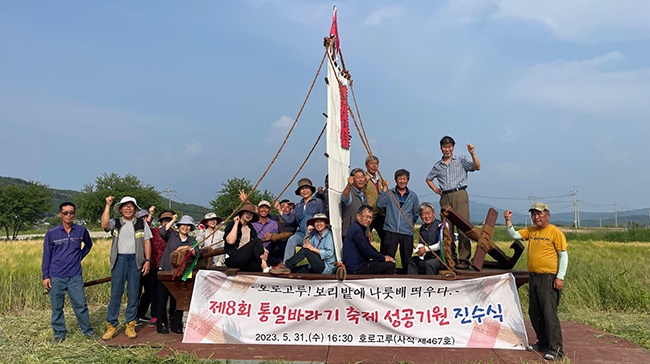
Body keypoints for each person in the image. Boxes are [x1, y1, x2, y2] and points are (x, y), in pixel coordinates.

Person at [504, 202, 568, 361]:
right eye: (533, 214)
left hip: (548, 278)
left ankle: (556, 349)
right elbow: (514, 235)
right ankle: (543, 342)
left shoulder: (555, 232)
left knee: (549, 313)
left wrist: (560, 276)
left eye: (539, 213)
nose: (536, 217)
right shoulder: (531, 231)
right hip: (533, 276)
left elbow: (563, 255)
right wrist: (508, 221)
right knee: (535, 312)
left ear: (547, 215)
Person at [41, 202, 95, 343]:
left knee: (80, 305)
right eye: (65, 213)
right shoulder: (52, 233)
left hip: (75, 275)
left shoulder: (81, 230)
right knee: (57, 307)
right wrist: (45, 276)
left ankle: (87, 332)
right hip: (56, 276)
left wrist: (80, 256)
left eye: (71, 212)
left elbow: (88, 245)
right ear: (60, 214)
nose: (69, 215)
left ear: (74, 214)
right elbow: (46, 255)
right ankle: (59, 334)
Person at [101, 196, 153, 340]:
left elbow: (147, 242)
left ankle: (130, 325)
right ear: (121, 209)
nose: (128, 208)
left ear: (135, 209)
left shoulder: (142, 223)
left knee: (133, 294)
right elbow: (104, 225)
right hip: (119, 260)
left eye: (131, 206)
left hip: (136, 260)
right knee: (116, 294)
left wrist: (147, 260)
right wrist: (107, 205)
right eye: (125, 206)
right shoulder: (116, 222)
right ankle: (111, 325)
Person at [425, 135, 481, 270]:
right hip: (445, 197)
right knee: (447, 230)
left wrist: (472, 153)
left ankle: (464, 259)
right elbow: (428, 179)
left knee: (463, 227)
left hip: (460, 194)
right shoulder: (437, 165)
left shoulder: (460, 160)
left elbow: (477, 167)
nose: (447, 149)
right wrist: (436, 190)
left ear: (453, 148)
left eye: (449, 146)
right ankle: (451, 258)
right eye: (445, 147)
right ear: (441, 148)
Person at [157, 214, 196, 334]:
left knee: (178, 300)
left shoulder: (192, 240)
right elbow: (162, 232)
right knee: (162, 300)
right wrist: (173, 220)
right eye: (183, 225)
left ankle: (176, 324)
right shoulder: (171, 236)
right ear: (179, 226)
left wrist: (193, 251)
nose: (185, 227)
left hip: (181, 274)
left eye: (188, 226)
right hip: (166, 271)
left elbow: (197, 252)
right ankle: (162, 324)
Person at [376, 169, 420, 274]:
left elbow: (415, 214)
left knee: (406, 259)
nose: (402, 181)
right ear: (395, 180)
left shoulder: (413, 196)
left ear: (408, 180)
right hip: (391, 230)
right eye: (400, 178)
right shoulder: (390, 193)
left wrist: (408, 225)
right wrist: (384, 189)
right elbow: (379, 204)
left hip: (406, 232)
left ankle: (406, 278)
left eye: (404, 179)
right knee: (388, 257)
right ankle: (386, 277)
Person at [276, 178, 327, 263]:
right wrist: (279, 209)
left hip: (314, 234)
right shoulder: (298, 206)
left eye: (306, 188)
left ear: (311, 190)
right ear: (299, 192)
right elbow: (290, 220)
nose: (304, 191)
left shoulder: (319, 202)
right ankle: (285, 265)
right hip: (301, 233)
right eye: (302, 189)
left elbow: (324, 218)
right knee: (292, 239)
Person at [270, 213, 336, 274]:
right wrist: (307, 233)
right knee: (294, 270)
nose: (318, 224)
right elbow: (306, 245)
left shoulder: (328, 235)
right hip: (314, 265)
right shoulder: (315, 235)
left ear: (325, 224)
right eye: (316, 222)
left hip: (326, 268)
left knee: (305, 250)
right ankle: (286, 268)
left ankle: (286, 265)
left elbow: (329, 253)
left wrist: (312, 249)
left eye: (321, 221)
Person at [342, 205, 396, 274]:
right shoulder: (357, 231)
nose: (369, 220)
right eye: (367, 217)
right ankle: (382, 284)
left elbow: (369, 247)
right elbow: (366, 249)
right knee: (389, 265)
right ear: (358, 216)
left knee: (383, 262)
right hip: (356, 267)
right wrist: (383, 258)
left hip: (360, 264)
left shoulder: (360, 229)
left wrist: (382, 257)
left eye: (370, 218)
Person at [224, 202, 270, 272]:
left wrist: (265, 252)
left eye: (251, 214)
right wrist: (236, 223)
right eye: (246, 212)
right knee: (257, 241)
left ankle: (266, 267)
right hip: (233, 258)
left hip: (246, 259)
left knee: (270, 262)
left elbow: (257, 246)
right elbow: (230, 241)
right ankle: (264, 266)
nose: (248, 215)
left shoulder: (251, 229)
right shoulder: (232, 225)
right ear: (242, 213)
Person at [407, 202, 449, 275]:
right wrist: (419, 249)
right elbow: (421, 242)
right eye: (423, 214)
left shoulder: (442, 226)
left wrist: (425, 249)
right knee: (411, 261)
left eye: (429, 213)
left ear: (433, 213)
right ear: (420, 216)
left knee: (429, 264)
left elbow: (440, 245)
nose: (426, 216)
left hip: (441, 258)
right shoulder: (422, 228)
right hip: (428, 257)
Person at [135, 208, 155, 325]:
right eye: (142, 218)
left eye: (145, 217)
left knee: (148, 291)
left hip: (148, 265)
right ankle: (135, 315)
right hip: (137, 265)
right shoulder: (135, 231)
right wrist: (151, 214)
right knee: (136, 292)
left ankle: (141, 313)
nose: (145, 220)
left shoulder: (150, 231)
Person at [363, 155, 386, 244]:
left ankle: (383, 257)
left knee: (385, 238)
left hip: (379, 213)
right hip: (368, 213)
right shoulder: (363, 178)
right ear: (366, 165)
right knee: (365, 237)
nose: (374, 166)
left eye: (376, 164)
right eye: (371, 164)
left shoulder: (379, 180)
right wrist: (365, 181)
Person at [341, 168, 367, 240]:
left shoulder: (363, 195)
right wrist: (349, 185)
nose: (361, 180)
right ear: (352, 179)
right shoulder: (350, 192)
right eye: (358, 178)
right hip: (350, 232)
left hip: (362, 232)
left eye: (362, 177)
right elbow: (344, 198)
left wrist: (368, 231)